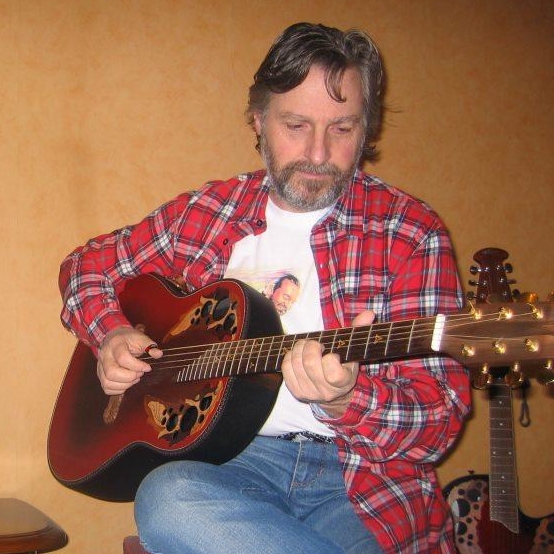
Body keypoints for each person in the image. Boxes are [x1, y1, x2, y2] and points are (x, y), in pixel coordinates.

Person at [59, 22, 471, 554]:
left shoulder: (410, 232)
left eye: (343, 128)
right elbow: (85, 267)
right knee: (165, 497)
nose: (318, 153)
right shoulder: (208, 213)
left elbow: (439, 419)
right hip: (231, 465)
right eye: (296, 125)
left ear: (365, 128)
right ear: (259, 120)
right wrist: (111, 332)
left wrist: (348, 400)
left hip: (363, 481)